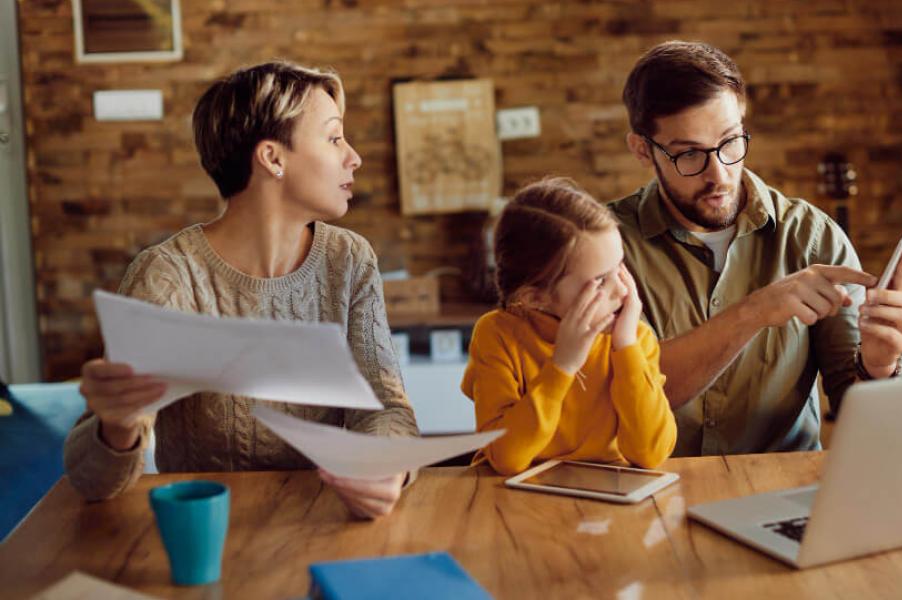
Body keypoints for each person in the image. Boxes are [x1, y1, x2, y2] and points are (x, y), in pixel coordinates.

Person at [63, 61, 418, 518]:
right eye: (334, 138)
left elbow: (385, 409)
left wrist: (385, 466)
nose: (354, 157)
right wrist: (117, 426)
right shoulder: (168, 275)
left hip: (327, 521)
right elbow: (91, 481)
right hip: (205, 533)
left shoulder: (349, 259)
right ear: (273, 158)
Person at [611, 41, 902, 456]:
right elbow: (628, 398)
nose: (719, 174)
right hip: (656, 485)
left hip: (783, 485)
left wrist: (879, 365)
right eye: (689, 154)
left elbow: (859, 418)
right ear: (642, 150)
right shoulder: (607, 248)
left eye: (730, 141)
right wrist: (754, 312)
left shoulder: (813, 238)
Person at [461, 178, 676, 476]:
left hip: (606, 494)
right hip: (513, 494)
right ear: (535, 298)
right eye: (600, 281)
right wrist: (563, 365)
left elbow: (651, 453)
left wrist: (626, 347)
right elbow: (506, 458)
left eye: (620, 268)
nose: (623, 290)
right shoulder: (497, 335)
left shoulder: (633, 337)